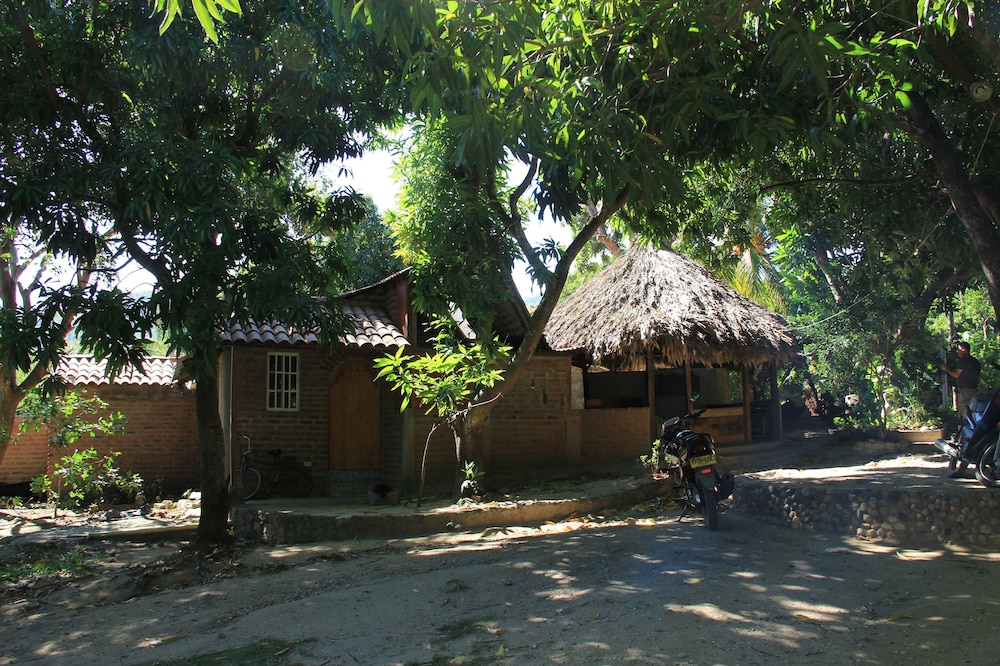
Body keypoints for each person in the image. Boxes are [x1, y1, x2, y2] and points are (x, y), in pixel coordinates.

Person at [941, 341, 981, 412]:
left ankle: (966, 418)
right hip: (974, 387)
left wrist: (946, 369)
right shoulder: (975, 361)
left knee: (967, 407)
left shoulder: (963, 361)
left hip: (966, 388)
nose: (957, 351)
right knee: (972, 405)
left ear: (963, 349)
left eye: (958, 349)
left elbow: (956, 374)